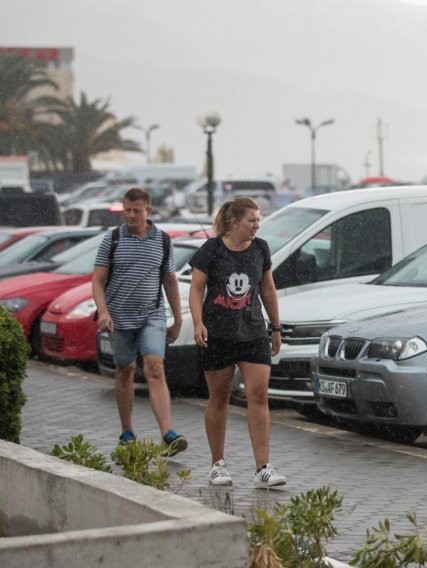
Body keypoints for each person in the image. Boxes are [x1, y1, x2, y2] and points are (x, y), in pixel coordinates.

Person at [188, 197, 286, 489]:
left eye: (258, 220)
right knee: (219, 398)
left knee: (259, 396)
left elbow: (268, 289)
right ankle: (218, 465)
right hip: (217, 333)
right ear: (234, 222)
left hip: (253, 332)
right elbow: (196, 289)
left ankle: (263, 468)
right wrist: (197, 323)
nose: (257, 225)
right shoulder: (212, 250)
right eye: (251, 220)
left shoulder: (261, 248)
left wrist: (276, 327)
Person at [92, 187, 187, 453]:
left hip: (152, 314)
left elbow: (170, 280)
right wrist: (103, 310)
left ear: (149, 211)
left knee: (155, 368)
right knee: (125, 370)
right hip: (119, 318)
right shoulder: (112, 240)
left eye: (136, 210)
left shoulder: (163, 241)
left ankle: (168, 434)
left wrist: (177, 318)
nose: (131, 215)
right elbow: (98, 280)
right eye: (127, 210)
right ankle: (127, 431)